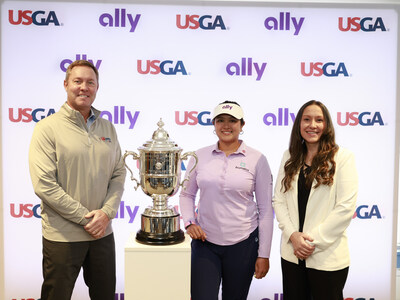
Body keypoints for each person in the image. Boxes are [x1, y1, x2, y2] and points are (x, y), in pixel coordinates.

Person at [28, 60, 126, 300]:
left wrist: (105, 213)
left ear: (97, 87)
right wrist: (87, 218)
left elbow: (118, 172)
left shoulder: (108, 128)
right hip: (63, 236)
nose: (84, 87)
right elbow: (44, 184)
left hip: (102, 233)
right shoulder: (46, 128)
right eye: (78, 81)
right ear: (66, 85)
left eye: (90, 82)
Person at [179, 100, 274, 300]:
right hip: (205, 242)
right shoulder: (199, 156)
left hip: (244, 244)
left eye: (232, 120)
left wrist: (263, 254)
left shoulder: (258, 159)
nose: (226, 125)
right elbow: (187, 194)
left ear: (242, 125)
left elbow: (265, 210)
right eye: (220, 120)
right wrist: (189, 223)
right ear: (214, 125)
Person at [272, 100, 358, 300]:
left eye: (319, 120)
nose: (312, 125)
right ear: (299, 125)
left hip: (327, 258)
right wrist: (293, 236)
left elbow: (345, 208)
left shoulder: (343, 157)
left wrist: (310, 242)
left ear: (326, 125)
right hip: (292, 256)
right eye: (307, 119)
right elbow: (279, 200)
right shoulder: (289, 156)